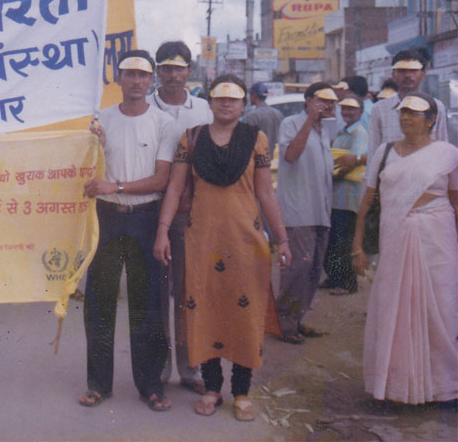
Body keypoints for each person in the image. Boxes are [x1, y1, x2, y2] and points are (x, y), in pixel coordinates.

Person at [153, 74, 291, 421]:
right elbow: (175, 188)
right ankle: (212, 388)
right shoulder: (192, 138)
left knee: (246, 314)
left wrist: (282, 238)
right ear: (210, 102)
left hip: (246, 241)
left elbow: (266, 192)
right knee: (206, 311)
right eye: (220, 98)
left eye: (233, 99)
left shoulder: (256, 139)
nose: (226, 104)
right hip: (202, 240)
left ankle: (241, 391)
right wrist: (163, 231)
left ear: (243, 104)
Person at [80, 50, 176, 411]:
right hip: (106, 217)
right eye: (130, 74)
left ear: (151, 80)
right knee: (99, 303)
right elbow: (86, 168)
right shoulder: (100, 120)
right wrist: (95, 144)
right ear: (117, 78)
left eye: (143, 75)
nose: (136, 81)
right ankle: (98, 384)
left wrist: (116, 186)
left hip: (145, 218)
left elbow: (161, 179)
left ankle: (150, 385)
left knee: (147, 304)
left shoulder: (164, 123)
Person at [352, 92, 458, 406]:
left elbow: (456, 201)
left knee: (441, 310)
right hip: (395, 238)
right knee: (394, 309)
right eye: (403, 112)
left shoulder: (447, 154)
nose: (407, 118)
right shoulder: (384, 152)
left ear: (431, 120)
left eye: (414, 113)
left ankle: (444, 387)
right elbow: (367, 202)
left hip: (438, 240)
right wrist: (357, 247)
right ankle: (394, 387)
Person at [147, 41, 212, 394]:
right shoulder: (145, 106)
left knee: (188, 292)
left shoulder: (202, 109)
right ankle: (158, 370)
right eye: (166, 68)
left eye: (179, 68)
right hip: (150, 207)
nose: (172, 75)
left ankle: (190, 369)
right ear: (158, 71)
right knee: (156, 293)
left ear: (189, 71)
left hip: (190, 212)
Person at [275, 82, 338, 344]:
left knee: (313, 269)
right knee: (297, 268)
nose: (328, 106)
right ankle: (284, 323)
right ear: (309, 100)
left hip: (320, 210)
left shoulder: (326, 129)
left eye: (332, 102)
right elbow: (291, 155)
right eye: (322, 100)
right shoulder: (291, 123)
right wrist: (310, 121)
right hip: (298, 210)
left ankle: (297, 319)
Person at [366, 48, 449, 162]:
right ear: (393, 75)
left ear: (423, 74)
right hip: (391, 171)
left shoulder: (436, 107)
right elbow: (373, 151)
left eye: (413, 70)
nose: (408, 75)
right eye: (402, 71)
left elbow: (443, 149)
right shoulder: (379, 109)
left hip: (427, 170)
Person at [321, 95, 368, 295]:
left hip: (348, 197)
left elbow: (350, 163)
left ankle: (347, 283)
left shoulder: (359, 133)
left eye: (352, 109)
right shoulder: (341, 132)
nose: (347, 112)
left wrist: (331, 173)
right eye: (345, 109)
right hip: (336, 197)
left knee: (342, 242)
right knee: (333, 241)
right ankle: (334, 278)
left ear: (360, 112)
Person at [241, 82, 284, 153]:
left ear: (254, 96)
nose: (249, 97)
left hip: (259, 157)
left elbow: (245, 141)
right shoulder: (278, 114)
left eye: (250, 95)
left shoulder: (252, 116)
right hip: (276, 157)